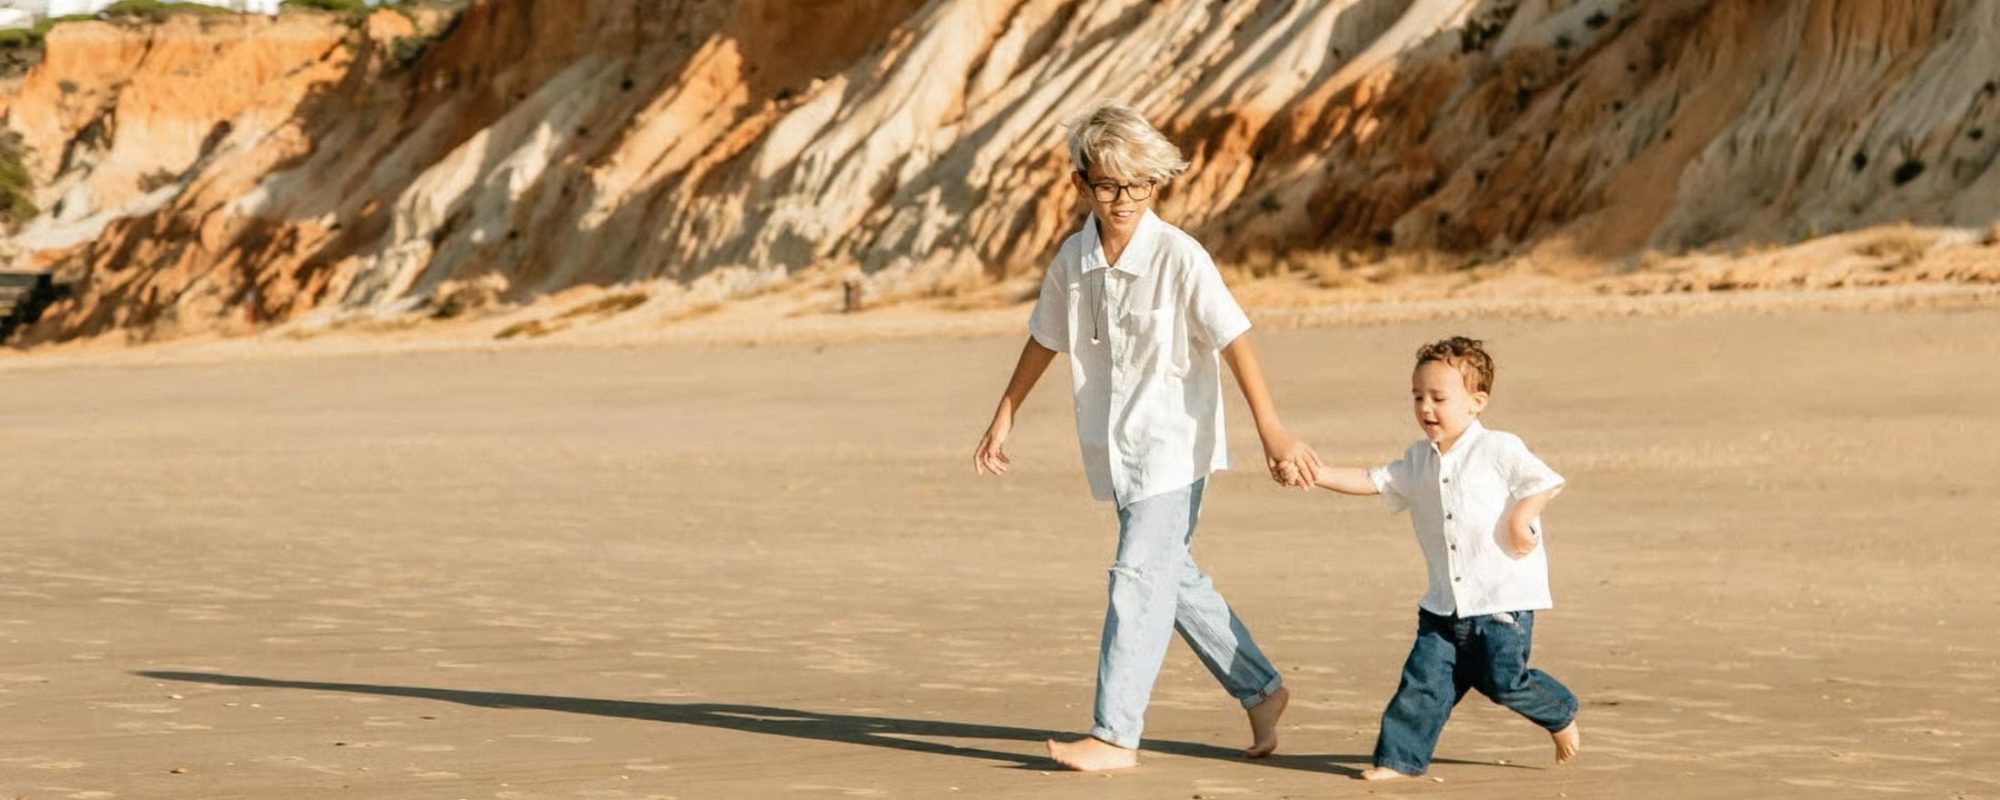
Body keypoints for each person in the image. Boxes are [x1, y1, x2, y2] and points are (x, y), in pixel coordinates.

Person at [972, 101, 1321, 771]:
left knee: (1136, 576)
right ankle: (1262, 689)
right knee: (1171, 576)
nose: (1124, 199)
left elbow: (1236, 339)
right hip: (1117, 450)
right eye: (1108, 185)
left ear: (1156, 184)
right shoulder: (1072, 260)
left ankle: (1114, 734)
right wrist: (1005, 412)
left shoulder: (1180, 256)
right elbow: (1045, 338)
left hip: (1174, 448)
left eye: (1140, 184)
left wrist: (1271, 430)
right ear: (1081, 183)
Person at [1298, 335, 1582, 780]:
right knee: (1423, 684)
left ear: (1476, 402)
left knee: (1505, 682)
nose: (1426, 407)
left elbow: (1542, 481)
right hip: (1444, 606)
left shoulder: (1499, 448)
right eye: (1418, 397)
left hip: (1500, 603)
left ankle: (1558, 713)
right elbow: (1372, 480)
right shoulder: (1418, 460)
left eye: (1439, 398)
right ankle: (1397, 760)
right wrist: (1316, 474)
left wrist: (1521, 517)